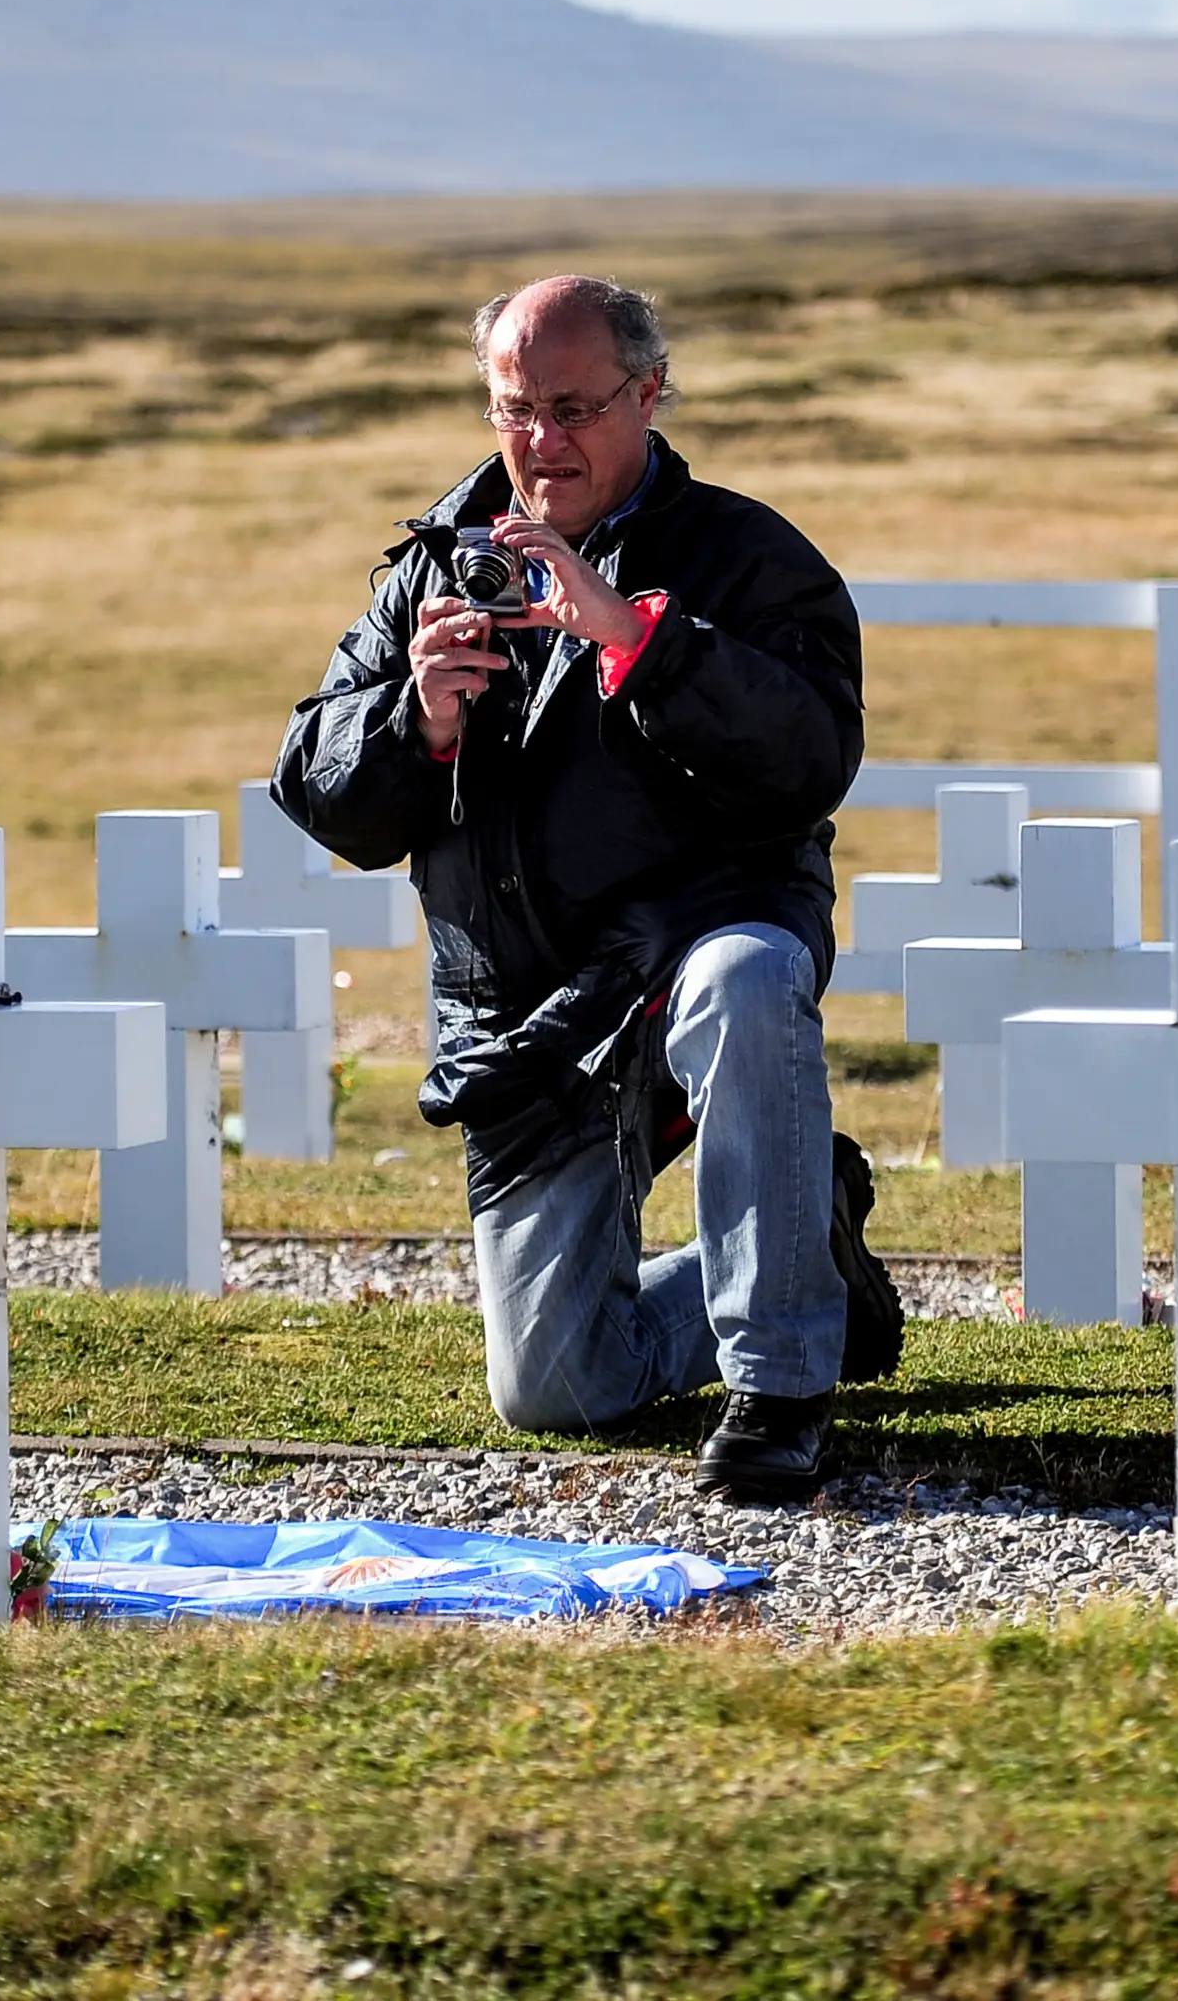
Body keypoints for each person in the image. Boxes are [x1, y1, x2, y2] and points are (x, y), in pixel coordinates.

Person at [270, 274, 899, 1504]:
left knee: (754, 972)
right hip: (528, 1021)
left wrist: (642, 641)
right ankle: (811, 1237)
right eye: (515, 408)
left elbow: (812, 759)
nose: (540, 442)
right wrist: (419, 721)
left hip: (688, 962)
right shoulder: (434, 568)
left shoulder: (746, 555)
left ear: (649, 393)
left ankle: (779, 1387)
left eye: (573, 406)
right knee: (556, 1388)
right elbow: (317, 786)